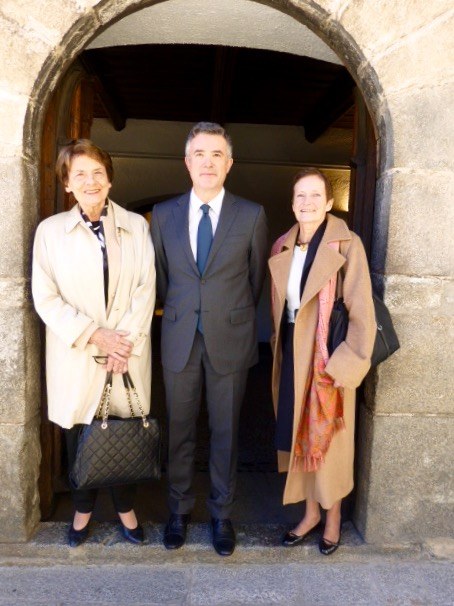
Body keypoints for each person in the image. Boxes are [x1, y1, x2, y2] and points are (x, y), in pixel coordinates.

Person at [151, 122, 268, 556]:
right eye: (199, 154)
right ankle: (179, 511)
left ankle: (222, 514)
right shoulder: (163, 214)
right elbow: (162, 278)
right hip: (180, 336)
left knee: (226, 432)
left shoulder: (251, 214)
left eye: (216, 154)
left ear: (229, 163)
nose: (207, 162)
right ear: (187, 162)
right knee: (179, 430)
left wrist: (226, 313)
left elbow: (255, 281)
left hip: (230, 338)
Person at [32, 139, 156, 547]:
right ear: (67, 183)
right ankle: (82, 511)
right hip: (78, 354)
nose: (91, 181)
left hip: (126, 354)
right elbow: (45, 297)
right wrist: (95, 335)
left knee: (124, 431)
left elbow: (146, 288)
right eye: (80, 174)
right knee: (81, 435)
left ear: (110, 179)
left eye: (98, 173)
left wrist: (122, 344)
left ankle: (126, 510)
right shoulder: (51, 232)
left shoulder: (136, 225)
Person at [268, 168, 375, 555]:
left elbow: (362, 307)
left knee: (331, 444)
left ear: (329, 203)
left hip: (329, 356)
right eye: (301, 195)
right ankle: (311, 513)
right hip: (293, 353)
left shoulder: (346, 244)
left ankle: (333, 518)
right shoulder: (282, 245)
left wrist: (347, 364)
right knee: (299, 438)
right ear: (292, 203)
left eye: (315, 195)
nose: (307, 202)